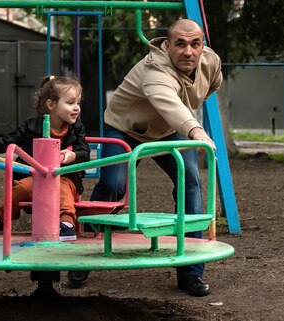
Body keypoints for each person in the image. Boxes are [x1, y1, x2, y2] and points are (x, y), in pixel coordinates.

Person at [89, 18, 222, 296]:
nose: (188, 52)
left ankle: (191, 269)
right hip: (125, 128)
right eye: (180, 44)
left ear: (202, 46)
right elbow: (170, 103)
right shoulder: (155, 70)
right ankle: (87, 243)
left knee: (191, 182)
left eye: (195, 44)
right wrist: (195, 129)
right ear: (167, 44)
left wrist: (188, 118)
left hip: (167, 130)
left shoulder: (210, 62)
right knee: (114, 185)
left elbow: (211, 85)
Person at [0, 75, 90, 241]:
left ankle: (67, 224)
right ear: (51, 105)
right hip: (35, 177)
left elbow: (84, 152)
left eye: (78, 103)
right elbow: (7, 140)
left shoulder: (76, 128)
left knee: (62, 190)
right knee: (21, 189)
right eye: (70, 103)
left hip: (65, 178)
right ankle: (3, 220)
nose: (76, 108)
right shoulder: (31, 126)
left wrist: (72, 155)